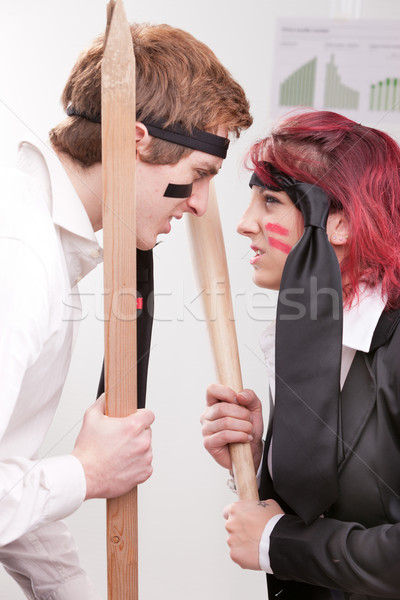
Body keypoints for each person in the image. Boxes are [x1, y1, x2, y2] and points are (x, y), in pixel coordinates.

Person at [0, 23, 252, 599]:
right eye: (198, 176)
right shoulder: (18, 256)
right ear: (137, 140)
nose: (200, 205)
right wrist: (85, 473)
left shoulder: (42, 241)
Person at [201, 110, 400, 600]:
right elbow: (333, 508)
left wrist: (275, 542)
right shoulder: (305, 335)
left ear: (341, 223)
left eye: (269, 200)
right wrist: (258, 459)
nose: (245, 224)